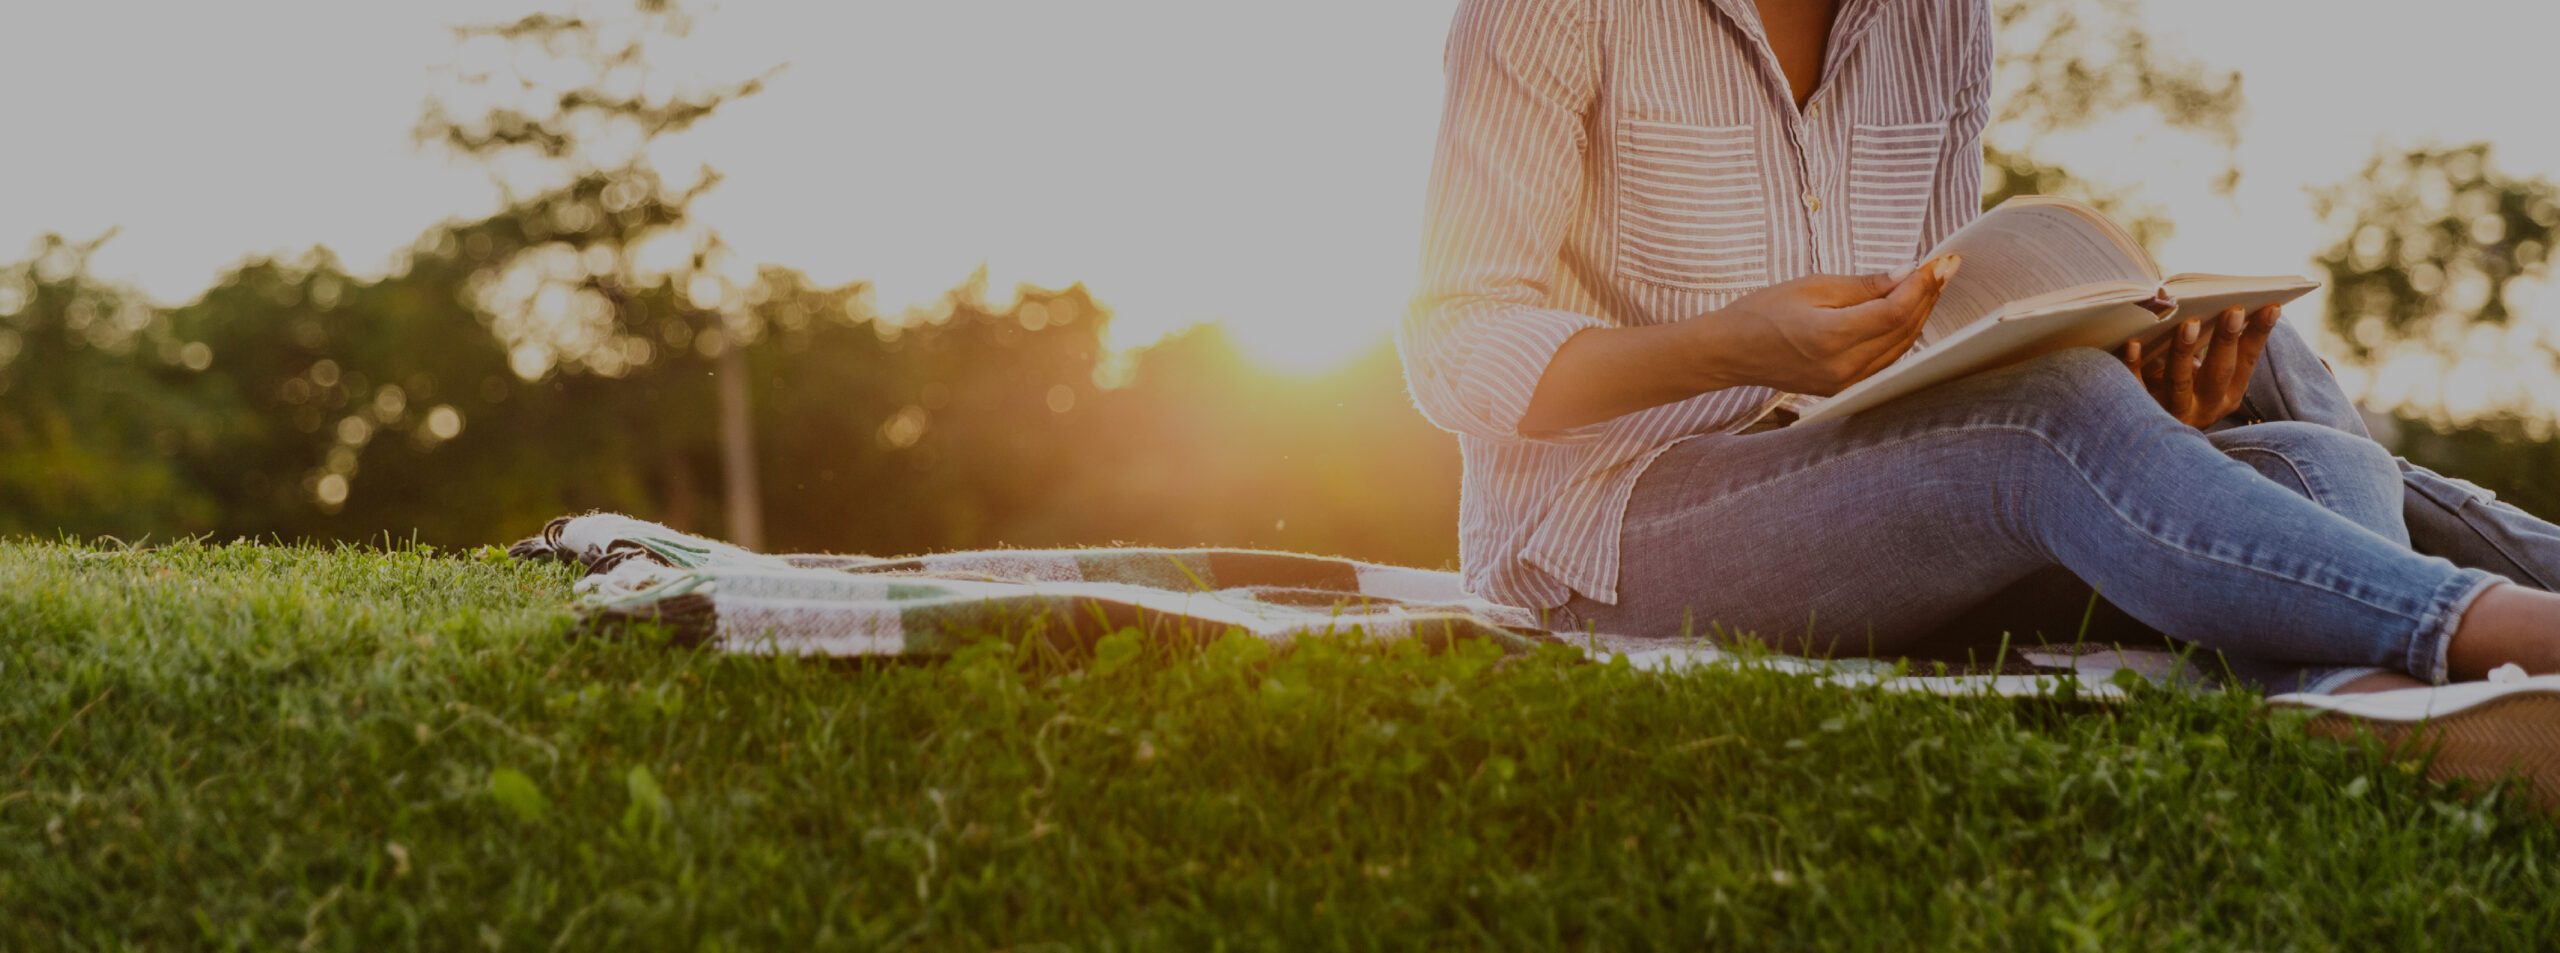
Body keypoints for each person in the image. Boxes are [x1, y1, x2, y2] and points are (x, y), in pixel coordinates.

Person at [1398, 0, 2560, 799]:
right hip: (1616, 523)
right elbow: (1454, 339)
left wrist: (2148, 407)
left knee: (2277, 382)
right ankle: (2484, 632)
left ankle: (2357, 695)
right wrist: (1727, 348)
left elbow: (1934, 327)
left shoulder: (1940, 16)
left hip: (1861, 468)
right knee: (2041, 419)